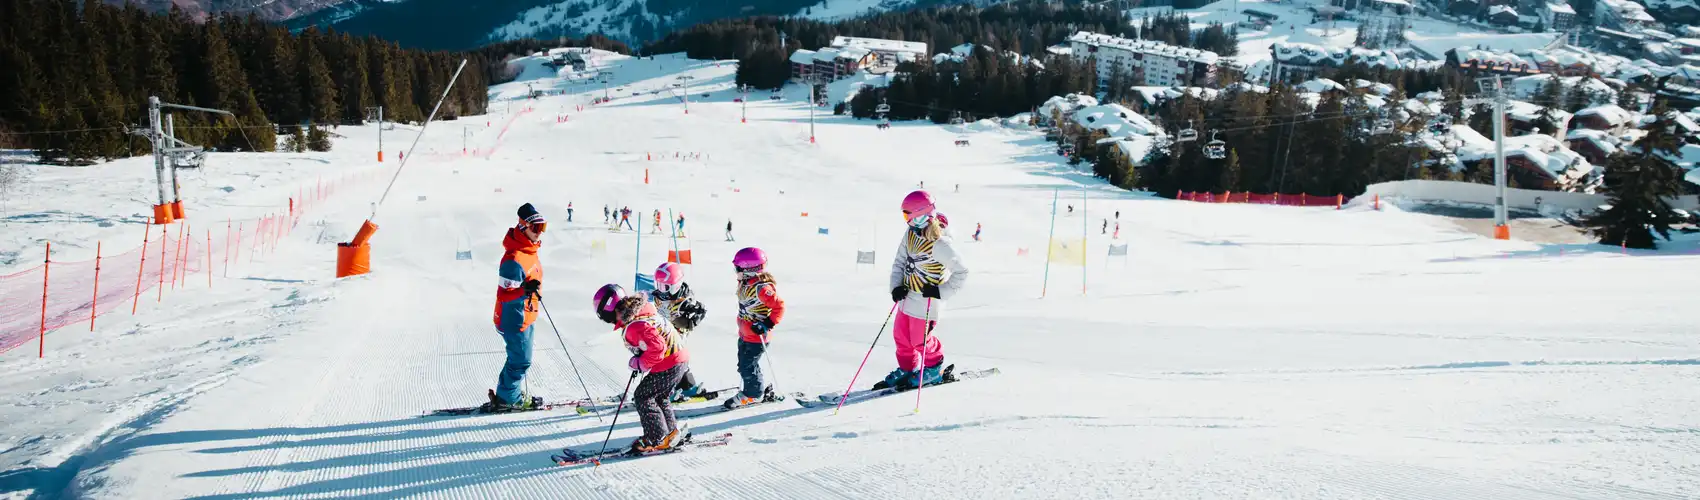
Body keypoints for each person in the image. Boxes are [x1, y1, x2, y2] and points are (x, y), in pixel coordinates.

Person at [594, 283, 695, 453]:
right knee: (659, 396)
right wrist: (641, 357)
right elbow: (652, 343)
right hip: (678, 359)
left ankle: (657, 438)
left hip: (669, 362)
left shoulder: (635, 325)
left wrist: (641, 363)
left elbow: (658, 348)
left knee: (643, 396)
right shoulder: (642, 312)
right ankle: (670, 434)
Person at [884, 191, 969, 390]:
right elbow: (900, 261)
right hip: (906, 297)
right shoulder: (911, 234)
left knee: (920, 341)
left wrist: (941, 291)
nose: (906, 222)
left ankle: (933, 368)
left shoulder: (940, 245)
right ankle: (908, 368)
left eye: (908, 216)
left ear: (921, 215)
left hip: (926, 302)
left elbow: (962, 272)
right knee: (901, 337)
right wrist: (896, 286)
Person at [487, 203, 547, 411]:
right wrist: (525, 291)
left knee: (519, 358)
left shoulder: (529, 250)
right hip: (513, 318)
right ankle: (508, 398)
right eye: (536, 228)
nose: (540, 233)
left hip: (526, 315)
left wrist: (529, 291)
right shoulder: (514, 259)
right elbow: (504, 294)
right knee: (521, 361)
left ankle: (508, 393)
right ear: (523, 227)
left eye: (543, 227)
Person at [724, 247, 786, 409]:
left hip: (757, 337)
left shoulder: (762, 288)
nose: (735, 271)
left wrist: (766, 324)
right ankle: (751, 388)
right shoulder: (746, 282)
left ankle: (753, 394)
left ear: (750, 270)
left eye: (738, 268)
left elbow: (779, 306)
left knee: (748, 366)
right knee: (744, 364)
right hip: (745, 334)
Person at [652, 262, 713, 402]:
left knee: (670, 361)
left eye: (664, 287)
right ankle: (688, 386)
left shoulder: (683, 301)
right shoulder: (659, 297)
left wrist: (691, 321)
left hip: (676, 335)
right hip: (662, 333)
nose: (660, 290)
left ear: (675, 286)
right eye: (658, 285)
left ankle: (667, 389)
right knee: (674, 361)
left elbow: (701, 311)